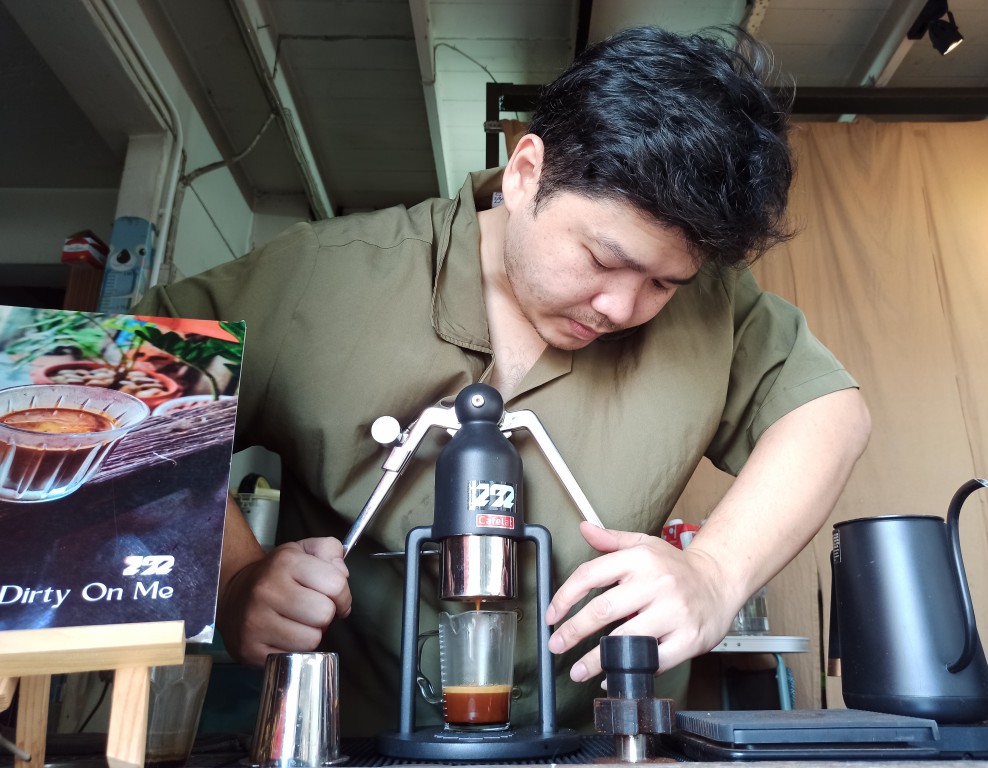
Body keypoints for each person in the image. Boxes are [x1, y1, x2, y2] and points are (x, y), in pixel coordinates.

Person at [134, 25, 870, 732]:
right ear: (525, 174)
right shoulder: (321, 278)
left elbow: (829, 412)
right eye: (603, 260)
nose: (622, 307)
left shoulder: (715, 309)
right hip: (344, 742)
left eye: (664, 284)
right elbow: (130, 382)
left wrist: (716, 573)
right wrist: (235, 581)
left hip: (610, 746)